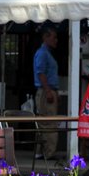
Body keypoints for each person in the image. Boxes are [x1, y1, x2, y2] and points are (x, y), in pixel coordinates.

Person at [33, 24, 60, 159]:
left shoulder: (46, 53)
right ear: (45, 37)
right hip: (45, 91)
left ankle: (41, 151)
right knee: (49, 122)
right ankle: (48, 152)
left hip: (47, 90)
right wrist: (48, 91)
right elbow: (41, 73)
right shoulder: (43, 53)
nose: (56, 40)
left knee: (44, 121)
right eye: (54, 37)